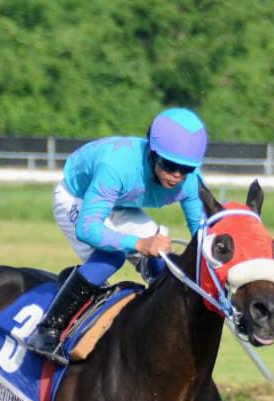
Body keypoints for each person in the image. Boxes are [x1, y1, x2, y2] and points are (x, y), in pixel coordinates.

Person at [23, 108, 209, 363]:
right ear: (153, 154)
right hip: (77, 196)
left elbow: (203, 233)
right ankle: (48, 330)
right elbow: (88, 229)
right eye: (169, 165)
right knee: (111, 257)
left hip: (123, 203)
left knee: (161, 260)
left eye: (186, 168)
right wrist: (139, 244)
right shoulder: (116, 167)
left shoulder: (189, 182)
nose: (177, 175)